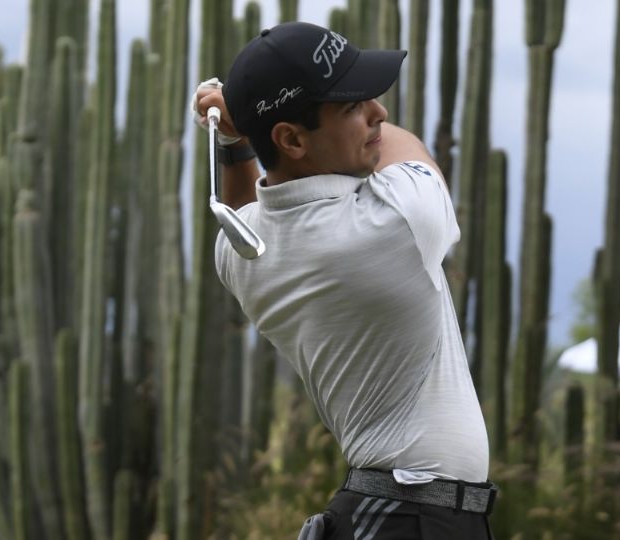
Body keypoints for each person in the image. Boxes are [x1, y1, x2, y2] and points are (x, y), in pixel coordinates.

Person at [194, 21, 497, 540]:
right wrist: (238, 131)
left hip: (395, 514)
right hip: (412, 517)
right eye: (353, 106)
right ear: (290, 138)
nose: (378, 112)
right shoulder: (393, 223)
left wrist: (234, 136)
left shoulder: (242, 253)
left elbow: (246, 210)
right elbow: (402, 148)